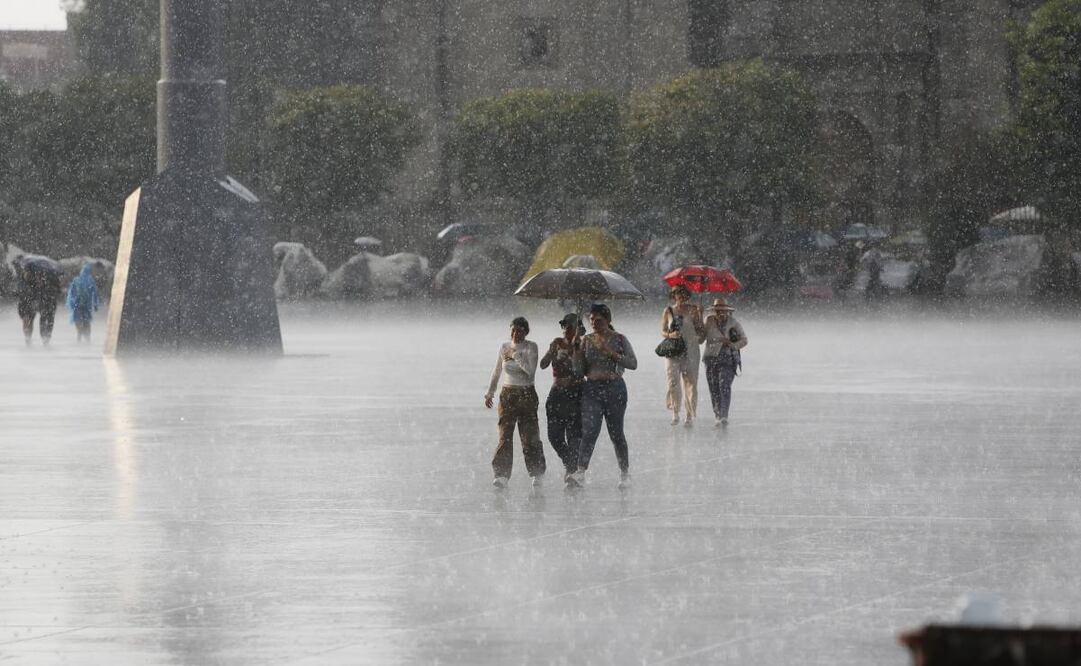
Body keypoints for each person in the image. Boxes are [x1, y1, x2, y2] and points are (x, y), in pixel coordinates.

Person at [568, 303, 637, 489]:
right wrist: (575, 350)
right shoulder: (586, 340)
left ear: (608, 320)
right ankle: (581, 471)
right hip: (592, 390)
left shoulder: (620, 339)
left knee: (616, 433)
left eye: (598, 320)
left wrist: (611, 353)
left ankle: (624, 473)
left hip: (615, 389)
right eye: (591, 320)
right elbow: (578, 371)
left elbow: (633, 363)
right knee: (590, 431)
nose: (594, 323)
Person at [484, 316, 546, 489]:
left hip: (526, 393)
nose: (515, 333)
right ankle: (501, 474)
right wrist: (490, 393)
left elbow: (530, 372)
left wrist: (515, 355)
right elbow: (497, 371)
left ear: (526, 332)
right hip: (508, 393)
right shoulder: (503, 346)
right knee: (505, 435)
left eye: (519, 330)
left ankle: (537, 472)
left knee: (529, 436)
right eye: (513, 329)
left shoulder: (531, 347)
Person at [539, 312, 583, 482]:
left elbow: (584, 369)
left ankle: (571, 471)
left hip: (575, 393)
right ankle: (570, 464)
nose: (565, 329)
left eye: (569, 326)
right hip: (557, 392)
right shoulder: (557, 343)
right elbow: (543, 365)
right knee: (554, 435)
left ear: (577, 328)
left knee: (574, 435)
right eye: (563, 326)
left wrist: (575, 350)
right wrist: (552, 352)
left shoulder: (583, 344)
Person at [660, 285, 705, 426]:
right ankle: (675, 412)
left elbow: (700, 331)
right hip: (673, 351)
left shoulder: (693, 310)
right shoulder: (668, 310)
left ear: (687, 296)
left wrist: (700, 315)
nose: (681, 297)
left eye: (683, 294)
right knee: (673, 381)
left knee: (691, 383)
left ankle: (689, 415)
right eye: (677, 294)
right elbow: (662, 331)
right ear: (673, 296)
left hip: (691, 350)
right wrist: (670, 334)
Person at [702, 298, 748, 428]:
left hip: (728, 358)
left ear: (727, 310)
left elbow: (744, 340)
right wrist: (698, 318)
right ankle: (717, 414)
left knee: (725, 386)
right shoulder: (709, 320)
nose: (720, 311)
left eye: (722, 309)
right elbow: (702, 337)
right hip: (710, 358)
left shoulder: (734, 323)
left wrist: (732, 344)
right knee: (714, 388)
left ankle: (724, 415)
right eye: (717, 309)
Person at [14, 258, 61, 347]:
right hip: (28, 304)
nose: (28, 274)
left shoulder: (40, 280)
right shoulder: (25, 281)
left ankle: (43, 338)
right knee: (30, 321)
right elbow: (19, 293)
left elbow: (54, 291)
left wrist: (42, 288)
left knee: (42, 320)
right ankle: (30, 338)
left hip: (36, 304)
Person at [66, 263, 101, 343]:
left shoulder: (76, 280)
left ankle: (79, 334)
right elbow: (95, 293)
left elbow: (71, 293)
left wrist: (71, 303)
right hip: (86, 305)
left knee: (77, 319)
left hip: (77, 304)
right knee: (87, 321)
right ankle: (87, 338)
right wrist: (95, 304)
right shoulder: (91, 281)